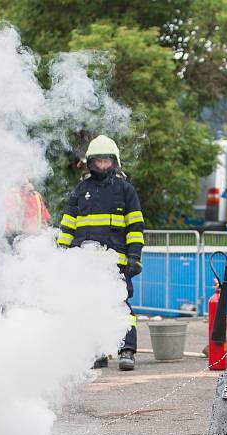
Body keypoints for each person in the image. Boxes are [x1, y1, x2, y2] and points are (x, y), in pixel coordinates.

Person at [57, 135, 145, 370]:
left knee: (121, 307)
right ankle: (98, 352)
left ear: (115, 162)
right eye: (99, 161)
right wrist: (61, 255)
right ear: (90, 163)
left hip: (116, 263)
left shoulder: (125, 190)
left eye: (107, 161)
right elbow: (68, 226)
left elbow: (135, 227)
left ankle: (127, 350)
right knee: (90, 306)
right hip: (85, 264)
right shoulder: (80, 190)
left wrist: (135, 257)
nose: (103, 166)